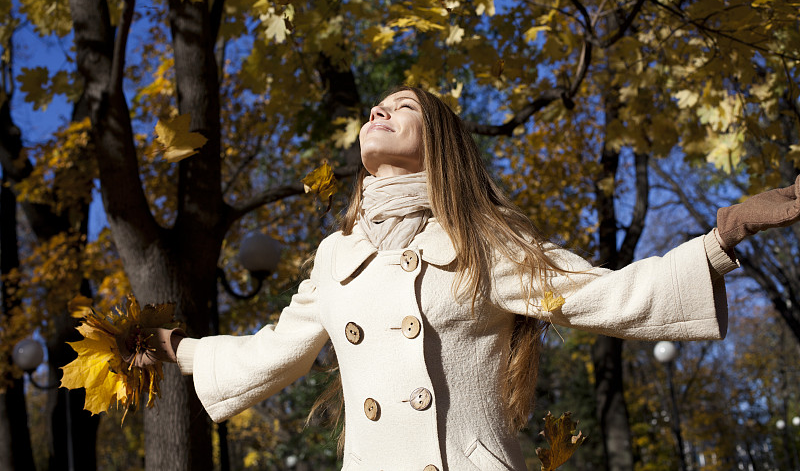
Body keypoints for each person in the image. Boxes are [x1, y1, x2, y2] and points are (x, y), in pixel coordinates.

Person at [146, 86, 800, 470]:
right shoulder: (336, 256)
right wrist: (180, 347)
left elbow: (600, 292)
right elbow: (273, 351)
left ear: (440, 141)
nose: (379, 111)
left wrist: (723, 238)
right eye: (374, 107)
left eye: (401, 107)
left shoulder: (484, 240)